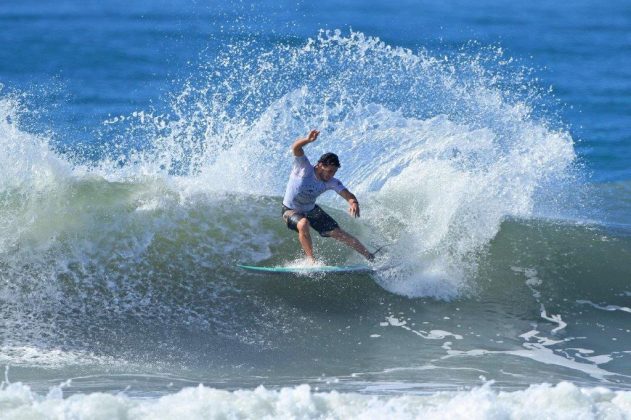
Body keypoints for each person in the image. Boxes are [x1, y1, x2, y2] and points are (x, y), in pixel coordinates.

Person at [282, 129, 375, 263]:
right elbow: (296, 148)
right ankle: (311, 260)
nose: (331, 175)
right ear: (320, 165)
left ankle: (370, 256)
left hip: (311, 210)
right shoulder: (303, 167)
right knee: (303, 224)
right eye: (330, 171)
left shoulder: (331, 182)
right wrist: (308, 140)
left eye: (334, 172)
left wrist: (353, 202)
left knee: (339, 233)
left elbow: (347, 194)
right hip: (290, 210)